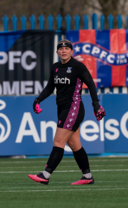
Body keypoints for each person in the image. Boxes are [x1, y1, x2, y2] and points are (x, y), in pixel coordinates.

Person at [28, 39, 106, 185]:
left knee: (58, 141)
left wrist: (96, 105)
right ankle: (87, 176)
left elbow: (90, 84)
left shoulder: (78, 66)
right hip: (62, 108)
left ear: (71, 51)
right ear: (57, 52)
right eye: (61, 49)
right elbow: (50, 87)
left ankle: (45, 175)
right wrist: (38, 100)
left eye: (67, 49)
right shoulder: (55, 67)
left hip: (74, 108)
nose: (64, 51)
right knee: (75, 145)